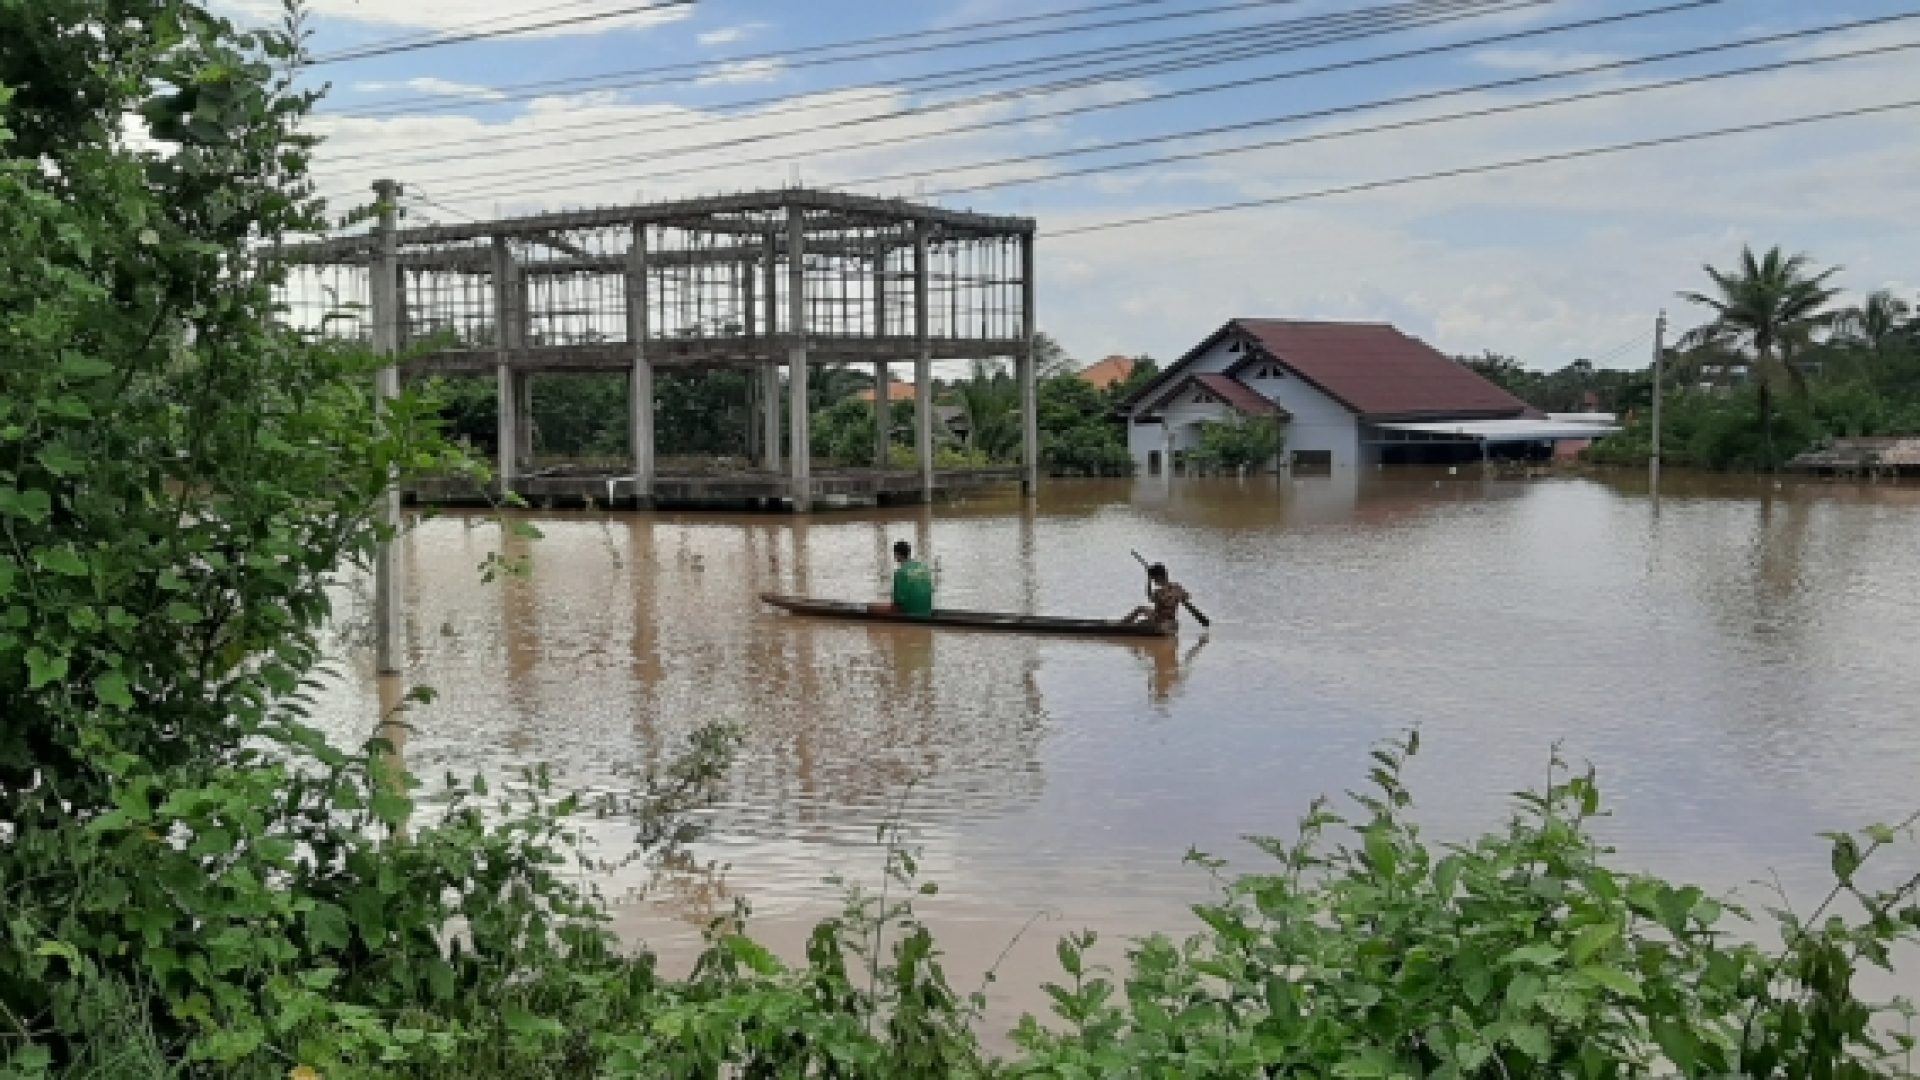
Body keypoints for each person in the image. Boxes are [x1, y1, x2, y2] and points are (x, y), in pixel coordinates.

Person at [875, 539, 934, 617]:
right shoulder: (923, 568)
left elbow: (897, 603)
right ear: (908, 553)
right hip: (927, 610)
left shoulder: (900, 572)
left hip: (910, 613)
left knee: (870, 608)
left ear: (897, 554)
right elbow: (931, 590)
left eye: (895, 554)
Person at [1123, 562, 1187, 632]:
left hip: (1160, 622)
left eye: (1154, 580)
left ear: (1159, 578)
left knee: (1141, 622)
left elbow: (1150, 597)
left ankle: (1122, 625)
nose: (1154, 582)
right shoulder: (1177, 587)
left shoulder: (1159, 592)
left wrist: (1149, 581)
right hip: (1171, 621)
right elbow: (1187, 596)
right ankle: (1124, 623)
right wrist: (1179, 596)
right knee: (1141, 609)